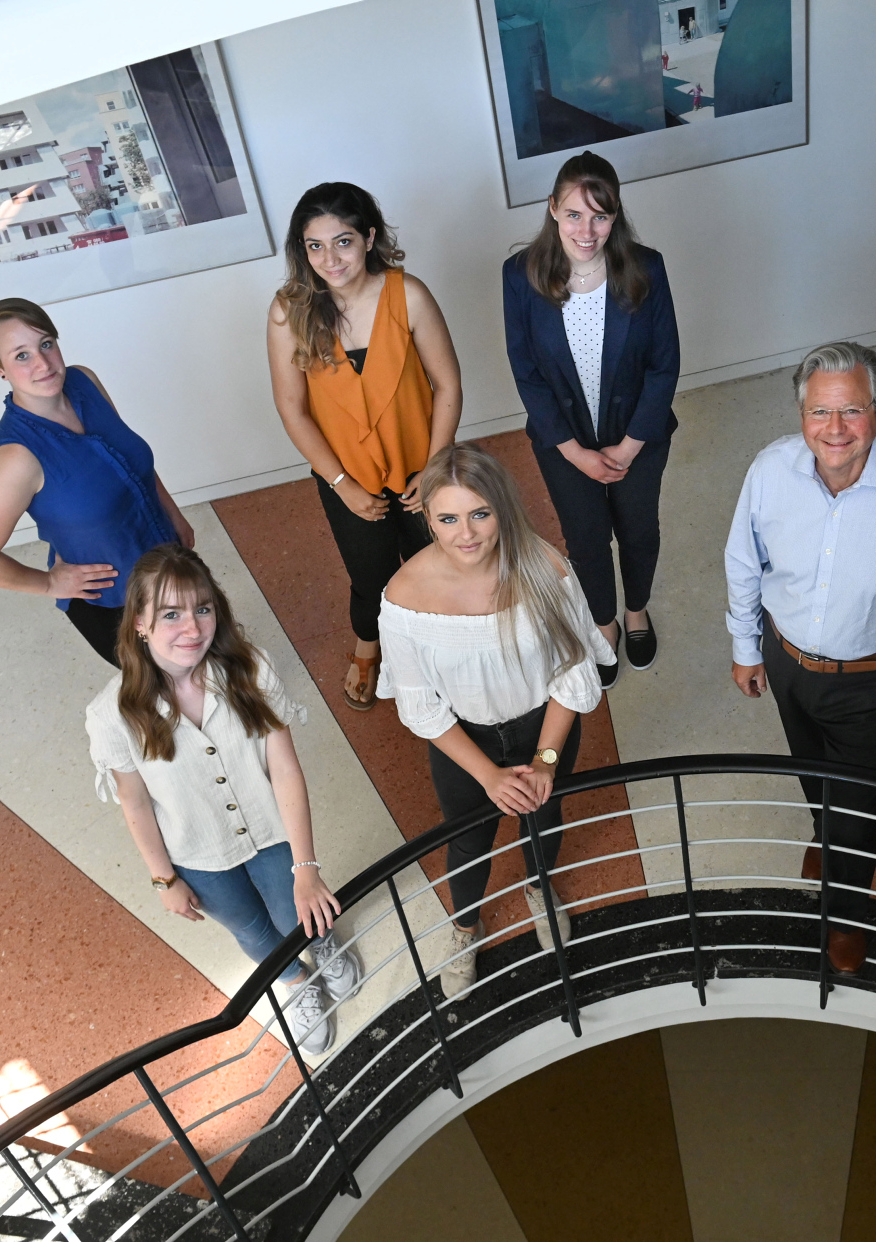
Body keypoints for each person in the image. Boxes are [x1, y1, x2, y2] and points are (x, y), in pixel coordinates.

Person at [724, 342, 876, 976]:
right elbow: (744, 562)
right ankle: (822, 835)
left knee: (856, 815)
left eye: (852, 411)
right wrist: (747, 647)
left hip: (870, 681)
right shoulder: (770, 471)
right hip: (786, 663)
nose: (835, 429)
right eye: (820, 412)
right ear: (801, 414)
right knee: (812, 774)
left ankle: (847, 915)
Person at [85, 545, 361, 1057]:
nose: (192, 627)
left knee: (297, 913)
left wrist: (306, 867)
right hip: (198, 854)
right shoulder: (110, 714)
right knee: (252, 931)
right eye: (171, 614)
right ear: (139, 622)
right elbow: (136, 804)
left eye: (203, 608)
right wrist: (164, 879)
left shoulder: (250, 668)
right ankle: (295, 980)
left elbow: (285, 768)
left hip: (272, 832)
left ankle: (321, 943)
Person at [376, 444, 613, 997]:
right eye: (448, 518)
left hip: (544, 726)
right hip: (465, 742)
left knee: (543, 815)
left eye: (480, 514)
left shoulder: (545, 567)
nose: (466, 534)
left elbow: (572, 672)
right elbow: (422, 706)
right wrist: (487, 775)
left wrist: (545, 760)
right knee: (467, 840)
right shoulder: (404, 596)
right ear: (427, 517)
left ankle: (538, 887)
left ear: (501, 507)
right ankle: (465, 926)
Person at [268, 182, 462, 712]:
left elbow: (447, 384)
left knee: (436, 563)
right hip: (345, 476)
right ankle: (368, 645)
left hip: (423, 466)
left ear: (369, 238)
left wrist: (435, 467)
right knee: (369, 574)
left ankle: (437, 649)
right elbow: (293, 410)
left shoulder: (409, 294)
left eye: (344, 242)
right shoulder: (289, 311)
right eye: (315, 246)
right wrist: (341, 485)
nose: (330, 259)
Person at [503, 151, 680, 689]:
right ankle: (604, 623)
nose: (587, 231)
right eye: (575, 214)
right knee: (585, 540)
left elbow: (664, 365)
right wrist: (574, 452)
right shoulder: (520, 275)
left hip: (637, 437)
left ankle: (636, 612)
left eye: (600, 216)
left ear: (615, 215)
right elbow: (526, 371)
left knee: (638, 531)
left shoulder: (646, 268)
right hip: (564, 443)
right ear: (552, 209)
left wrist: (627, 448)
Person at [0, 298, 194, 666]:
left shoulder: (85, 381)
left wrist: (173, 515)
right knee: (168, 685)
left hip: (172, 564)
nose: (43, 363)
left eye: (46, 344)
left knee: (209, 661)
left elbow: (129, 461)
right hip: (116, 604)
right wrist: (49, 583)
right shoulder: (16, 458)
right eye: (21, 355)